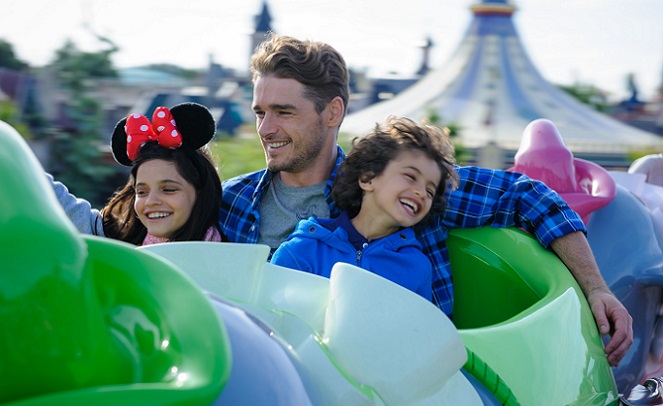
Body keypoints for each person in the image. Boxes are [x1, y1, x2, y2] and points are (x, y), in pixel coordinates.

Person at [219, 33, 632, 366]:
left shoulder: (392, 187)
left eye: (283, 112)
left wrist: (597, 289)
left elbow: (531, 196)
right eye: (259, 113)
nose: (266, 128)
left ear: (332, 112)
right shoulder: (231, 201)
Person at [270, 116, 458, 300]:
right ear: (368, 179)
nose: (421, 193)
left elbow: (418, 330)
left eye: (430, 191)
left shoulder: (416, 267)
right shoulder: (303, 250)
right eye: (410, 176)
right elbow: (271, 318)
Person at [52, 102, 223, 245]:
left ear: (200, 191)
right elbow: (54, 201)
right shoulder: (120, 239)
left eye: (169, 189)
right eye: (141, 192)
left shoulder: (221, 256)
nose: (151, 201)